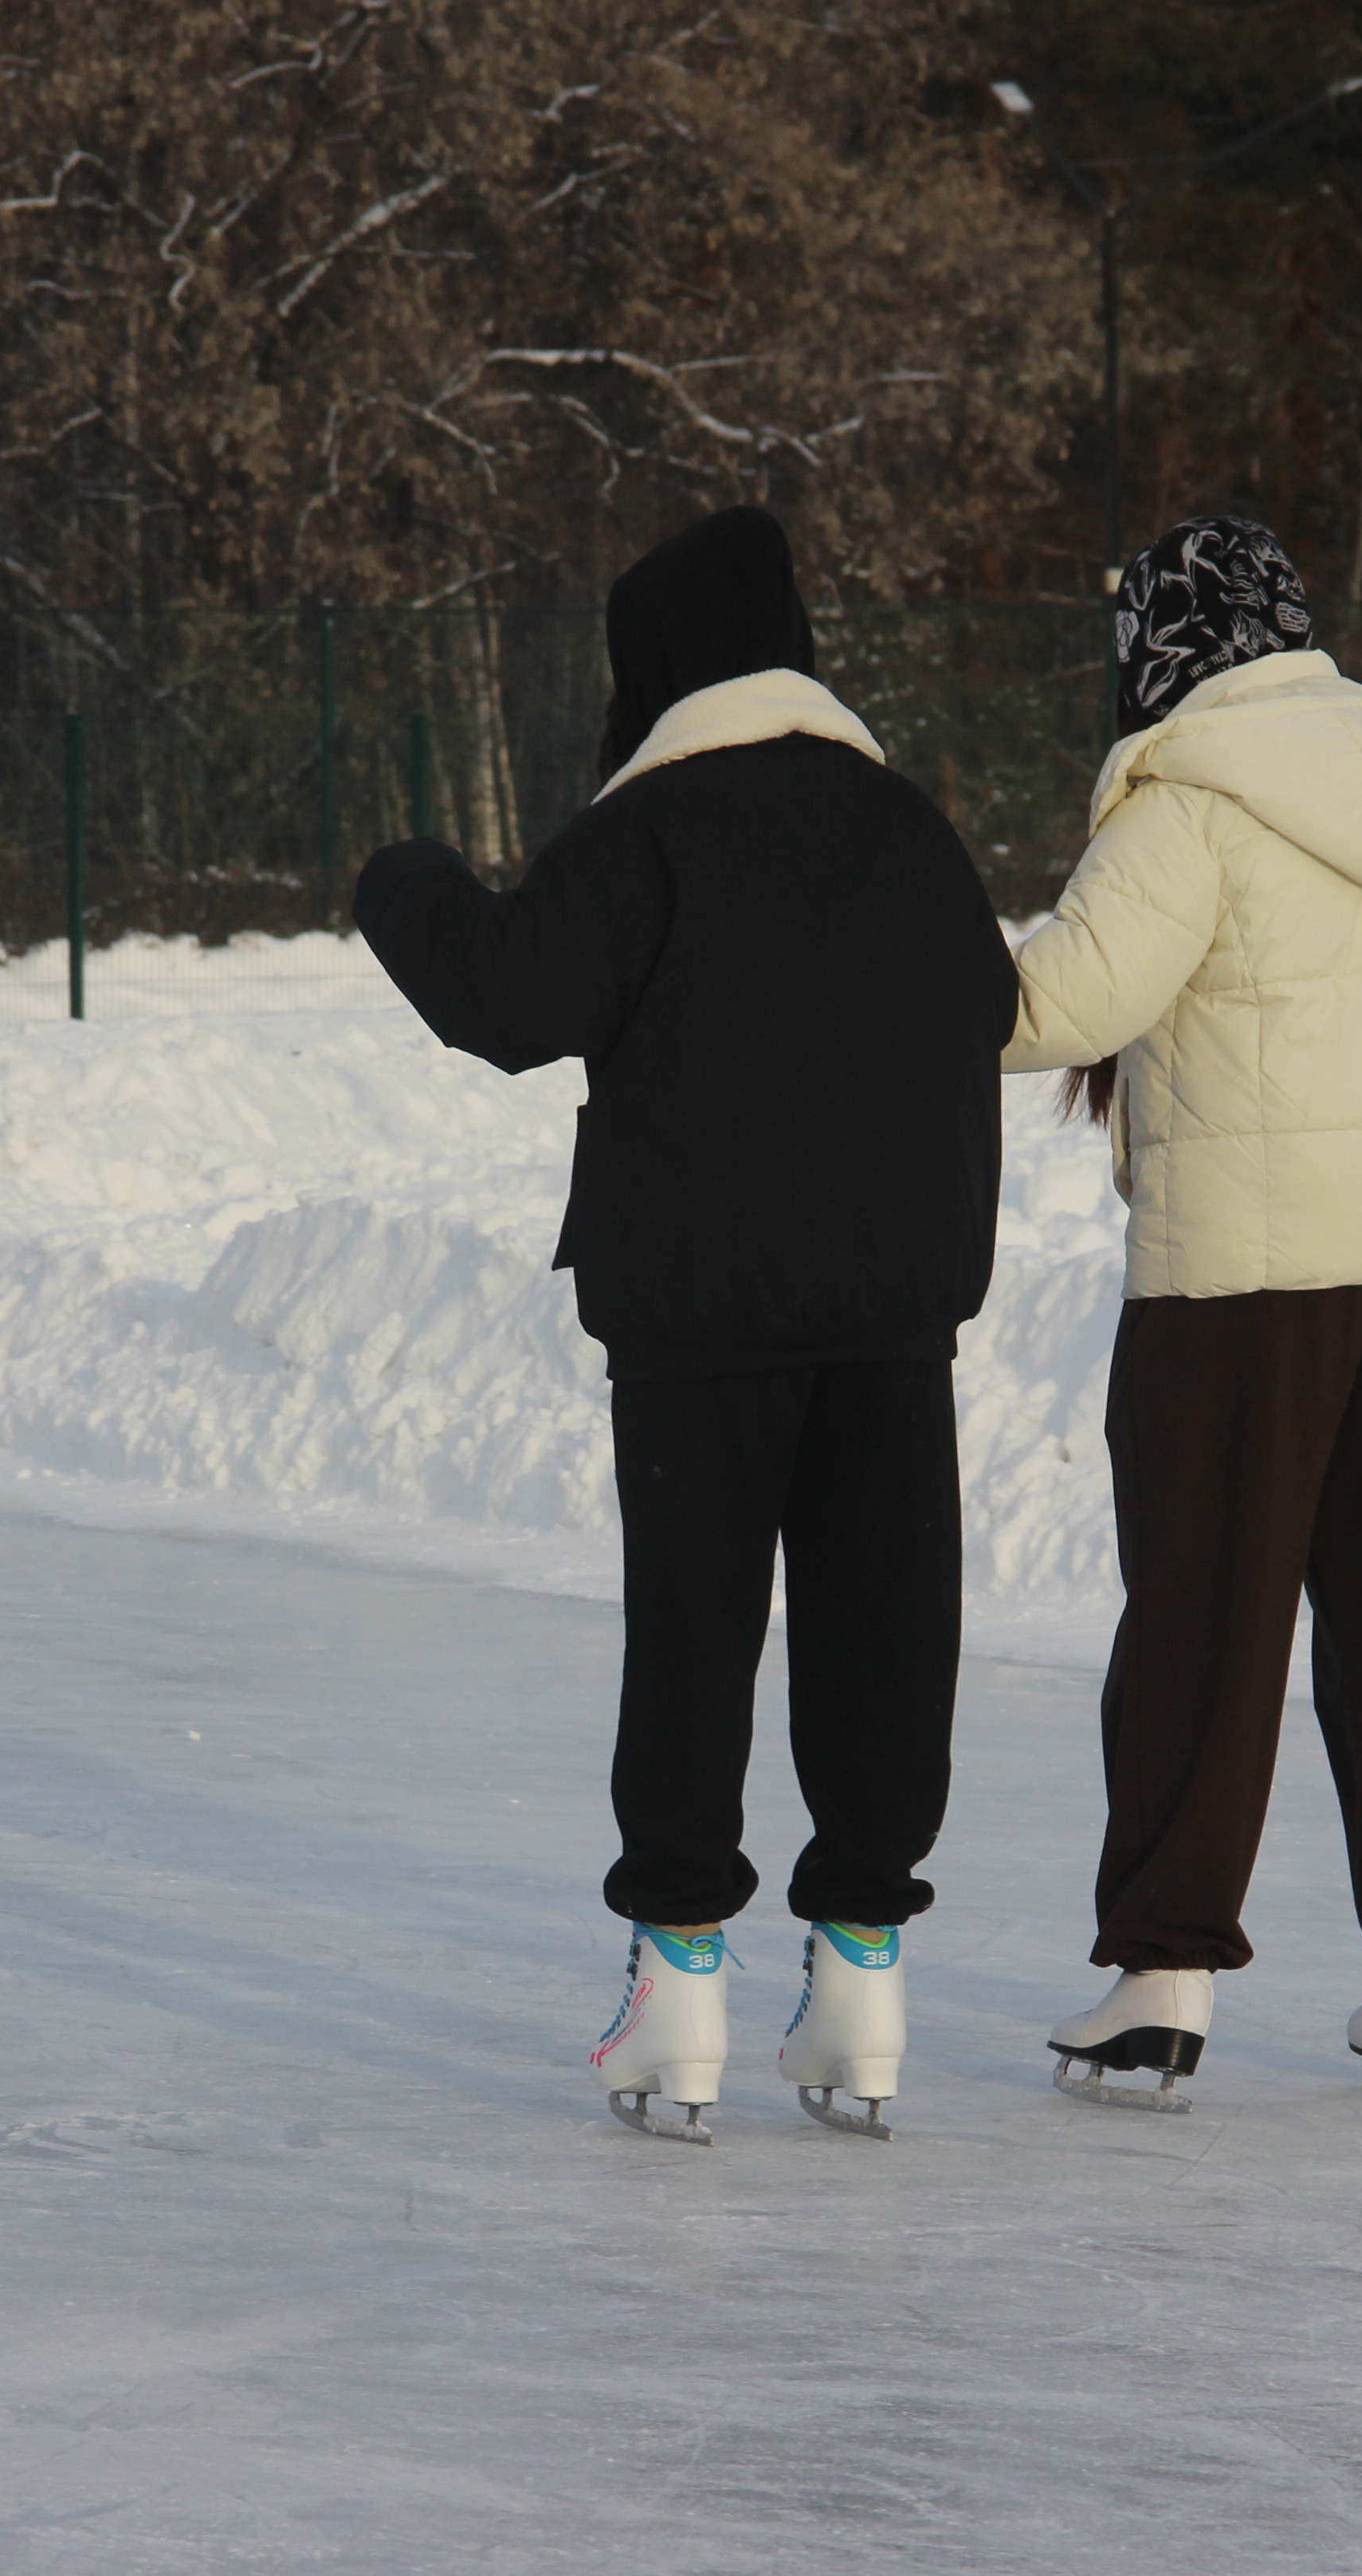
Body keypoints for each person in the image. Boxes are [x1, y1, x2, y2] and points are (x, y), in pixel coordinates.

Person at [353, 508, 1015, 2143]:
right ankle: (862, 1972)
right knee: (882, 1624)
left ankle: (679, 1990)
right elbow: (988, 1004)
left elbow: (510, 999)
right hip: (887, 1302)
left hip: (700, 1307)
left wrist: (407, 882)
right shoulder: (903, 824)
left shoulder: (650, 835)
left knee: (698, 1632)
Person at [999, 517, 1362, 2107]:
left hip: (1238, 1281)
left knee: (1206, 1620)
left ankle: (1162, 1974)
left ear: (1163, 643)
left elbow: (1063, 1005)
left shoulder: (1193, 796)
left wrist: (893, 973)